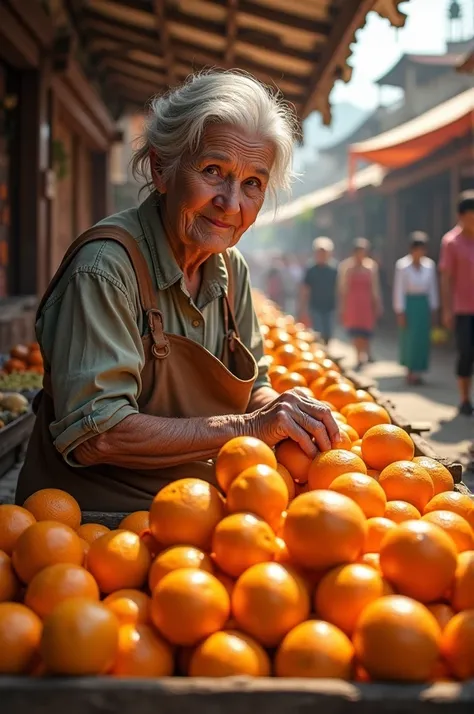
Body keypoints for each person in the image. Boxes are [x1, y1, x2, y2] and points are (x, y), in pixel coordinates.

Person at [15, 71, 340, 511]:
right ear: (162, 169)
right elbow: (99, 434)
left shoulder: (229, 268)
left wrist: (284, 410)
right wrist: (248, 427)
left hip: (195, 508)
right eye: (213, 171)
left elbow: (256, 386)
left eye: (252, 183)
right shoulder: (105, 271)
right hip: (92, 523)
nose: (231, 203)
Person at [439, 191, 474, 415]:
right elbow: (446, 278)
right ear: (461, 216)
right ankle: (464, 398)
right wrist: (446, 309)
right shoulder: (451, 242)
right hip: (463, 309)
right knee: (466, 354)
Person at [393, 232, 439, 385]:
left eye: (422, 249)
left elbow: (432, 287)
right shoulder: (402, 266)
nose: (419, 253)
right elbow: (399, 289)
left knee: (421, 338)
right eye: (417, 249)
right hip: (409, 304)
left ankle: (419, 370)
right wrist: (400, 310)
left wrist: (434, 307)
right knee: (409, 337)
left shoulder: (429, 265)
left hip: (423, 304)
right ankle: (410, 370)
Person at [338, 238, 383, 369]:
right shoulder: (346, 267)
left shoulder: (371, 266)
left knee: (366, 331)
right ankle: (359, 357)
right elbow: (342, 289)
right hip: (352, 303)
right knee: (355, 332)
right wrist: (343, 307)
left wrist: (377, 303)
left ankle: (366, 352)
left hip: (366, 303)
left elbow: (375, 287)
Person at [299, 237, 338, 344]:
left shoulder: (334, 270)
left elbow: (338, 288)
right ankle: (321, 352)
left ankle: (325, 349)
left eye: (324, 253)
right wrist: (302, 308)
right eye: (319, 252)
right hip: (315, 306)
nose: (321, 255)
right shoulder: (311, 269)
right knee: (318, 332)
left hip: (330, 306)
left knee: (328, 332)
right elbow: (305, 289)